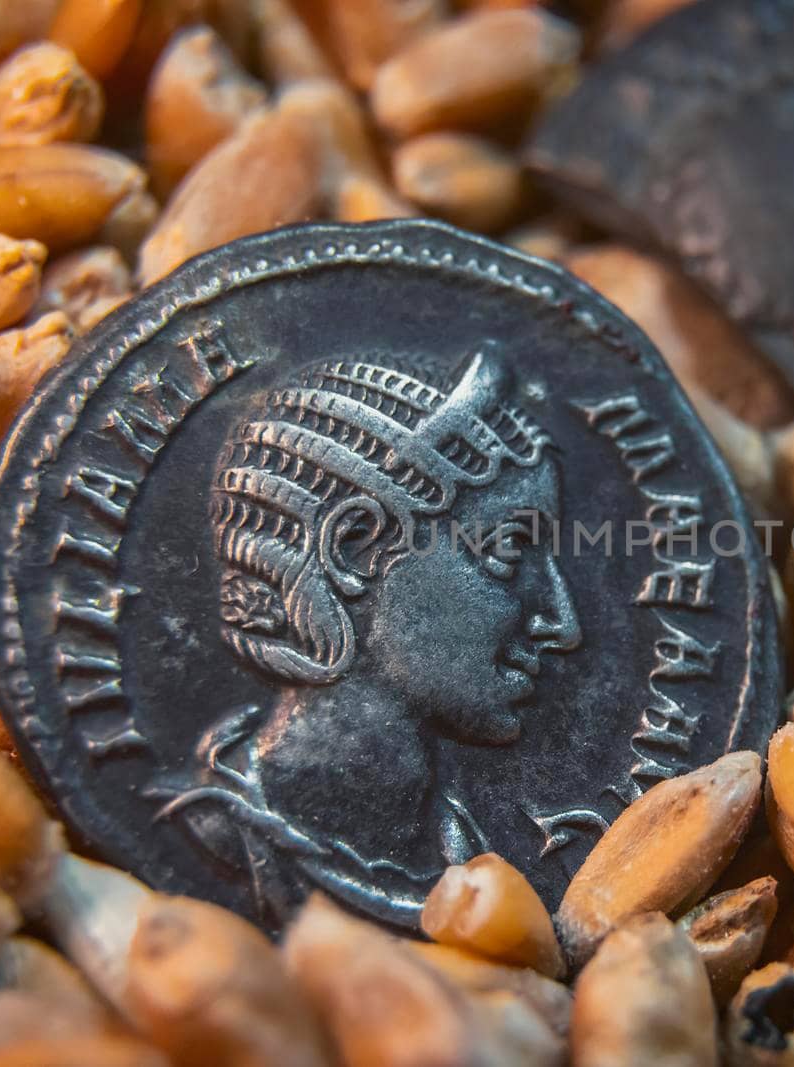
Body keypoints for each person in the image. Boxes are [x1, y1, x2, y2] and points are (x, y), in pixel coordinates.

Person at [149, 343, 581, 927]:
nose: (562, 621)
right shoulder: (209, 838)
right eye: (507, 548)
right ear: (353, 551)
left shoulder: (461, 853)